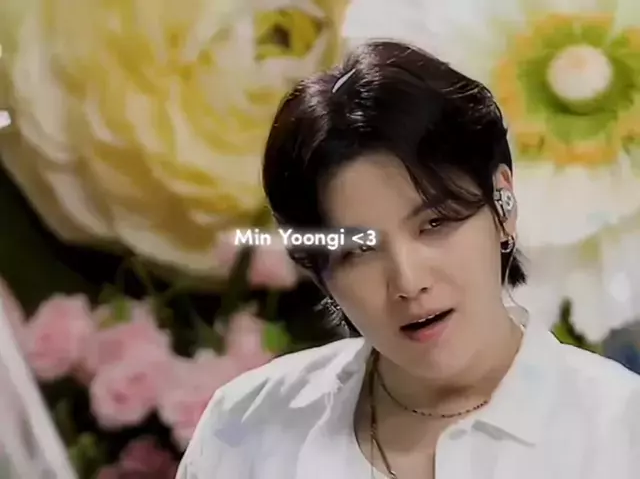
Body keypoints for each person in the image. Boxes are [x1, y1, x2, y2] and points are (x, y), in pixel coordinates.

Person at [177, 41, 640, 479]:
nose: (408, 281)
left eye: (435, 224)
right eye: (359, 250)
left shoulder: (621, 434)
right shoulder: (246, 429)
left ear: (502, 205)